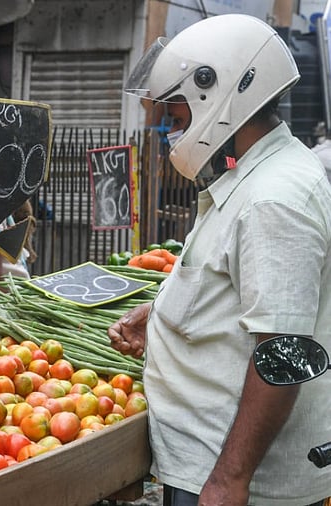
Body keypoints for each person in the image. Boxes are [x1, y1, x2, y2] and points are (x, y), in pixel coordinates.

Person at [109, 14, 331, 506]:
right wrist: (164, 315)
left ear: (220, 92)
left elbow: (284, 352)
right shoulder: (256, 179)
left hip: (239, 480)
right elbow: (243, 293)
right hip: (208, 462)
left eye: (178, 113)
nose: (172, 128)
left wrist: (230, 479)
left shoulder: (274, 199)